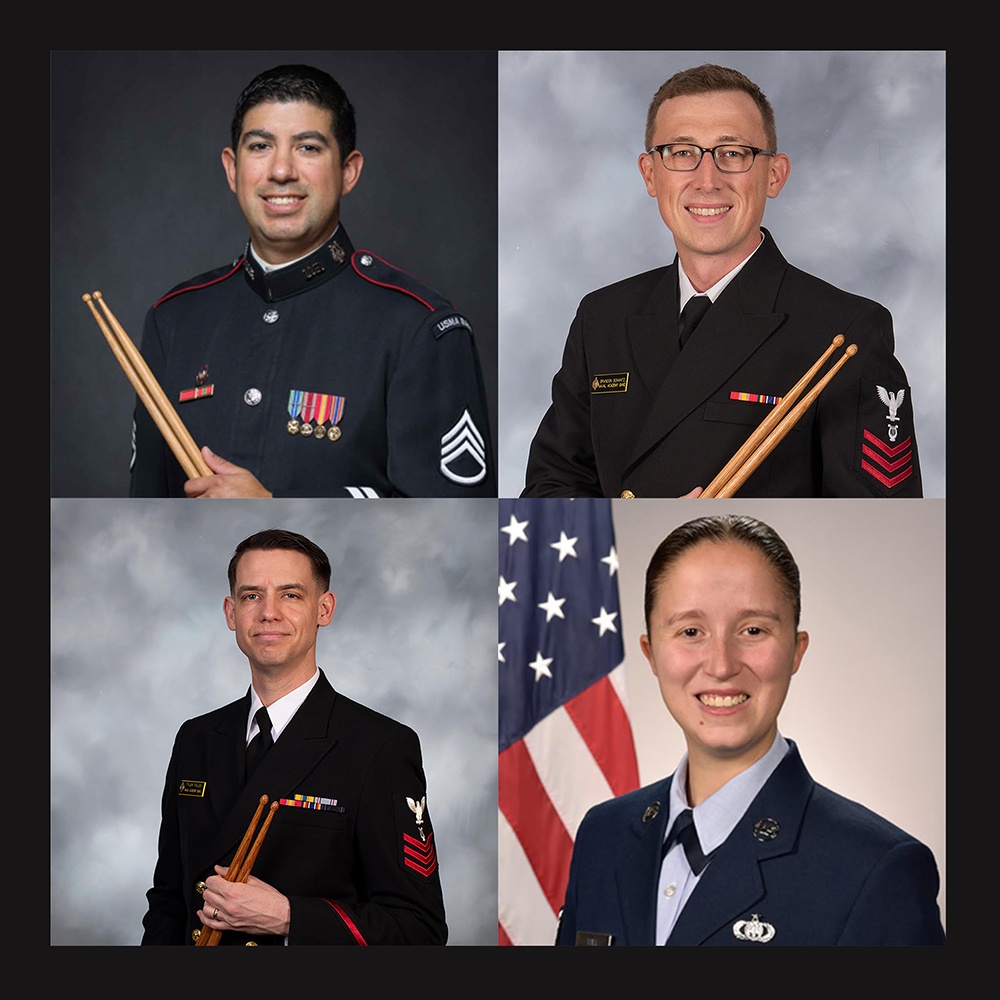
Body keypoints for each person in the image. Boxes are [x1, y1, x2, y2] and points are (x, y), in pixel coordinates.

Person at [523, 64, 921, 498]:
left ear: (774, 175)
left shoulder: (845, 332)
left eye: (733, 153)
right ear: (650, 174)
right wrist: (635, 531)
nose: (707, 180)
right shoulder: (602, 318)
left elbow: (876, 530)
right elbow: (551, 489)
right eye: (681, 152)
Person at [556, 514, 944, 946]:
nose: (722, 665)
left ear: (796, 651)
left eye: (753, 630)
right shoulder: (602, 835)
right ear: (651, 652)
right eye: (690, 631)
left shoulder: (878, 870)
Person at [130, 64, 494, 498]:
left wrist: (274, 511)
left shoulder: (419, 329)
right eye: (261, 146)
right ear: (232, 169)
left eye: (308, 147)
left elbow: (451, 531)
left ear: (348, 171)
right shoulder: (174, 320)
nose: (281, 171)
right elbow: (145, 512)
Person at [141, 529, 447, 945]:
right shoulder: (196, 738)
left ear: (324, 608)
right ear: (231, 613)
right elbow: (168, 900)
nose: (268, 613)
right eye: (251, 596)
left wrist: (289, 917)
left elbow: (418, 930)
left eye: (290, 595)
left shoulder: (380, 747)